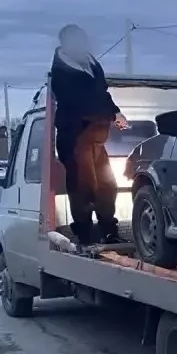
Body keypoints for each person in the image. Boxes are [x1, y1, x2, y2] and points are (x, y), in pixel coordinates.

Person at [49, 24, 128, 245]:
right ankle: (84, 234)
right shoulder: (61, 72)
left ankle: (109, 231)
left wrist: (116, 112)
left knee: (107, 185)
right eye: (76, 41)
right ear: (66, 44)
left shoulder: (92, 65)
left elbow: (102, 94)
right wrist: (106, 115)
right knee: (83, 187)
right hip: (75, 136)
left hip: (96, 137)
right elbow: (80, 102)